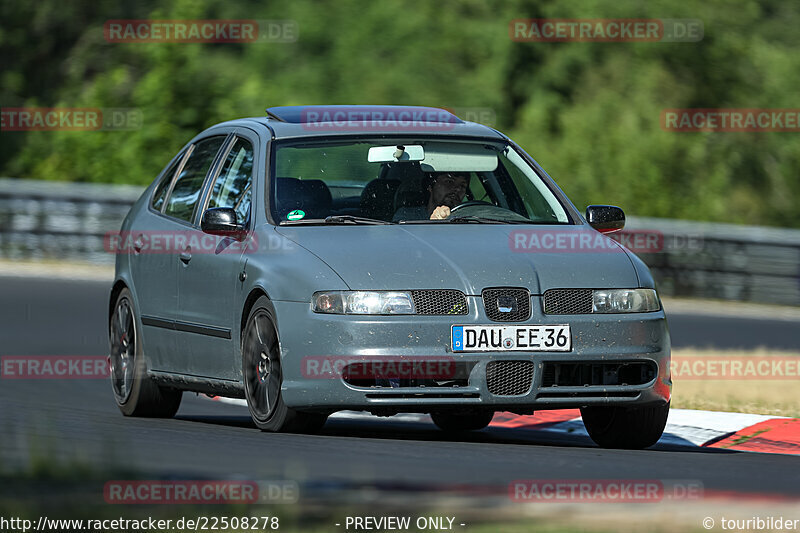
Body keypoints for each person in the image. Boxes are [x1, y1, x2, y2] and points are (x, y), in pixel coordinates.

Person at [393, 171, 470, 221]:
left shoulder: (470, 219)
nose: (457, 189)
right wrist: (432, 225)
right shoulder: (406, 216)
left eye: (462, 186)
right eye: (449, 182)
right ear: (430, 186)